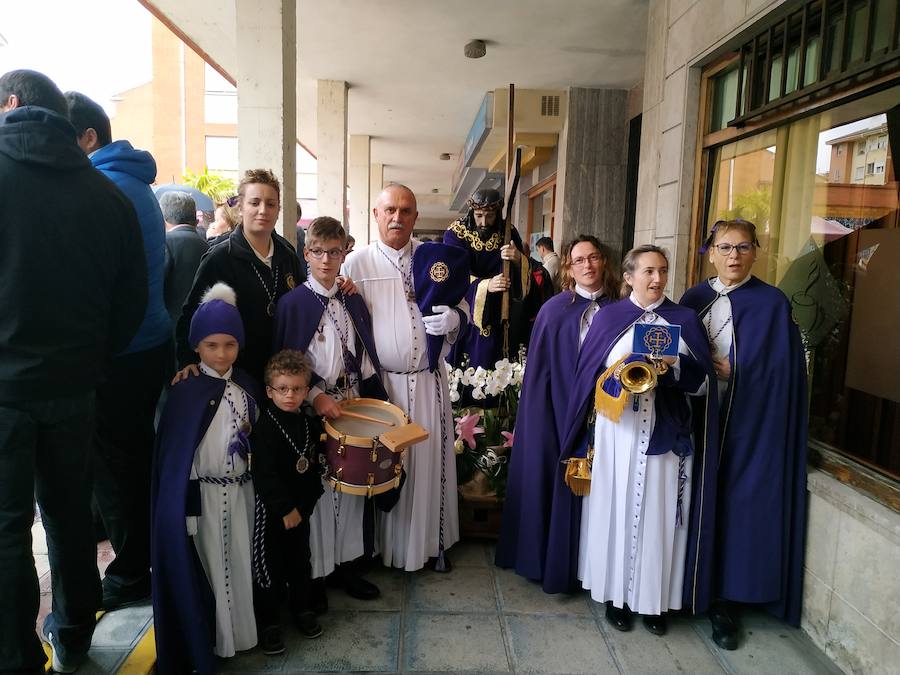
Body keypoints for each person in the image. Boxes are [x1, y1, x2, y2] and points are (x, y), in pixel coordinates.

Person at [0, 69, 147, 673]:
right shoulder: (106, 196)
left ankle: (14, 655)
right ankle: (74, 637)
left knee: (8, 529)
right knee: (67, 519)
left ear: (10, 105)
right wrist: (90, 362)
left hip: (5, 392)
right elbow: (131, 303)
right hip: (76, 388)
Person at [558, 245, 718, 635]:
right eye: (648, 271)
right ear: (628, 277)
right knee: (615, 508)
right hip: (619, 434)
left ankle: (654, 603)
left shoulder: (683, 319)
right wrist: (621, 375)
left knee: (661, 517)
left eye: (662, 270)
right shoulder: (612, 316)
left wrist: (673, 370)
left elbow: (704, 384)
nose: (657, 279)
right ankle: (617, 597)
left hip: (667, 435)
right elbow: (589, 378)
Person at [65, 90, 173, 611]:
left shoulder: (103, 186)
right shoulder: (132, 180)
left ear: (88, 138)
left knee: (116, 470)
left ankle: (131, 574)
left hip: (122, 354)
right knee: (134, 462)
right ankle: (143, 558)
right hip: (148, 344)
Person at [680, 219, 807, 649]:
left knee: (734, 504)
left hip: (747, 425)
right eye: (724, 247)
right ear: (710, 252)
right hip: (696, 417)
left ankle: (725, 597)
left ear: (756, 252)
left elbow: (788, 373)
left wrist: (741, 370)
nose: (733, 255)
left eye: (743, 247)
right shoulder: (693, 297)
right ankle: (683, 583)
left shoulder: (772, 303)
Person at [342, 184, 466, 572]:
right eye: (390, 210)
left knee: (427, 462)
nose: (398, 217)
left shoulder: (434, 259)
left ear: (415, 217)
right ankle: (382, 548)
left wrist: (456, 319)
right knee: (387, 466)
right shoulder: (356, 264)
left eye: (406, 211)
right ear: (375, 215)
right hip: (385, 387)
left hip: (428, 381)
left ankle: (430, 544)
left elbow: (461, 302)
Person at [272, 216, 386, 605]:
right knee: (321, 492)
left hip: (353, 403)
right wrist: (314, 395)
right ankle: (317, 574)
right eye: (317, 252)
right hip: (313, 410)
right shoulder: (294, 304)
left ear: (344, 253)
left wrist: (380, 401)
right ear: (306, 253)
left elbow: (364, 352)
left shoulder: (352, 297)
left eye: (334, 252)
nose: (326, 260)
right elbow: (288, 360)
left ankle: (349, 564)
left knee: (353, 487)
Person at [495, 235, 619, 590]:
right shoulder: (553, 310)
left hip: (604, 413)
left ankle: (591, 567)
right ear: (568, 267)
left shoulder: (620, 309)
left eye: (594, 258)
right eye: (579, 260)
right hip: (555, 411)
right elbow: (539, 374)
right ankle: (548, 559)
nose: (588, 266)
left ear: (604, 263)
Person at [151, 283, 260, 673]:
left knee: (240, 563)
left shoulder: (247, 385)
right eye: (211, 345)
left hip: (243, 493)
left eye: (229, 345)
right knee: (211, 568)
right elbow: (182, 462)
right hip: (206, 501)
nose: (220, 354)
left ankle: (243, 634)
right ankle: (215, 641)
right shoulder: (185, 391)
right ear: (196, 347)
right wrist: (189, 510)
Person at [176, 168, 302, 385]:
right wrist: (187, 359)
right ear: (240, 207)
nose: (263, 210)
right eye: (254, 203)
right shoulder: (219, 258)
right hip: (236, 374)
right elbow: (191, 312)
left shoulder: (287, 254)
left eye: (270, 204)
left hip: (282, 375)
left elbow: (304, 299)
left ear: (278, 210)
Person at [251, 350, 325, 655]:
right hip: (274, 514)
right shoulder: (265, 428)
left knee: (300, 562)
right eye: (282, 389)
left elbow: (313, 461)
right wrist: (285, 509)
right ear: (270, 391)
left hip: (302, 509)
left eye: (296, 389)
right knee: (270, 568)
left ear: (306, 391)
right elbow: (264, 475)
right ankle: (269, 623)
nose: (290, 395)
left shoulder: (308, 424)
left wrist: (308, 501)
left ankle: (302, 609)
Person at [443, 188, 542, 369]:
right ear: (472, 211)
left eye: (490, 216)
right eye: (479, 215)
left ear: (498, 212)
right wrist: (485, 286)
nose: (483, 222)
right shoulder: (456, 233)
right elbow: (453, 275)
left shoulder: (508, 231)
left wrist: (519, 259)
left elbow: (525, 277)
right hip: (469, 312)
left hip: (501, 314)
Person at [161, 191, 209, 327]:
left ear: (164, 217)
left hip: (170, 328)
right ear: (195, 219)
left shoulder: (165, 243)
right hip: (202, 326)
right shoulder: (207, 246)